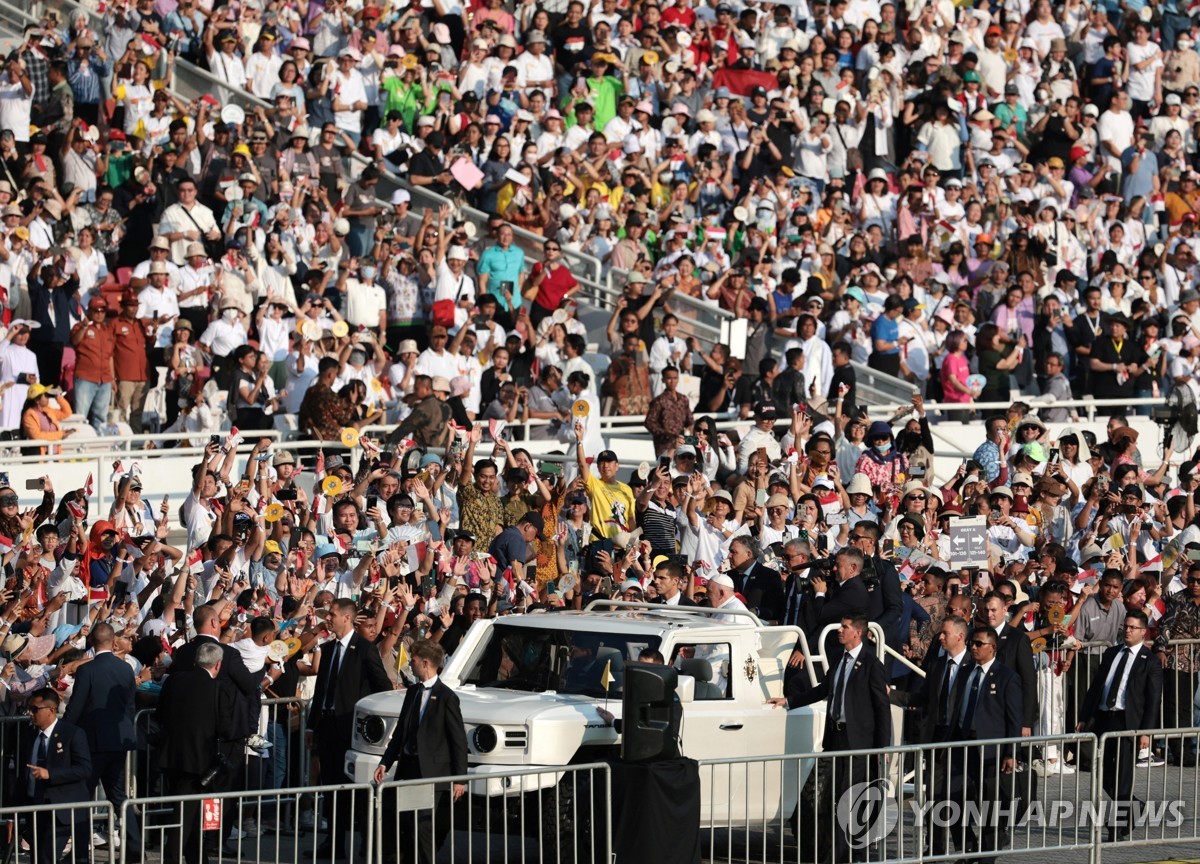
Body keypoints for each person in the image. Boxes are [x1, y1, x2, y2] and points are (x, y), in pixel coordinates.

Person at [774, 616, 890, 861]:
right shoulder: (839, 658)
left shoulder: (871, 664)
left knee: (849, 798)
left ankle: (845, 855)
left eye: (845, 627)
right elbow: (823, 689)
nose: (840, 630)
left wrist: (882, 747)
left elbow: (882, 708)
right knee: (832, 797)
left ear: (858, 633)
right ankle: (844, 853)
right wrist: (789, 701)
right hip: (834, 737)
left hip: (857, 741)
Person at [307, 597, 392, 858]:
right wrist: (312, 726)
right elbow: (321, 690)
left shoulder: (365, 649)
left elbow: (383, 688)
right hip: (328, 728)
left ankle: (367, 844)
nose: (328, 618)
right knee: (331, 786)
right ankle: (333, 842)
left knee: (356, 789)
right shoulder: (329, 649)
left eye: (332, 614)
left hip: (353, 730)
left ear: (346, 617)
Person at [373, 639, 468, 864]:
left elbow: (458, 740)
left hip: (432, 772)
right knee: (403, 822)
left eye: (413, 660)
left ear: (425, 663)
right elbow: (400, 734)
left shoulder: (447, 697)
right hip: (408, 767)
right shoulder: (413, 692)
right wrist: (385, 763)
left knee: (423, 826)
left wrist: (459, 779)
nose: (410, 664)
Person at [1076, 611, 1163, 842]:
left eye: (1133, 627)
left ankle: (1118, 825)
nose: (1128, 631)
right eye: (1126, 626)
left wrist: (1146, 732)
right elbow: (1096, 687)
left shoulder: (1149, 661)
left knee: (1123, 773)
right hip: (1104, 718)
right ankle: (1135, 806)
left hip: (1128, 721)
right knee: (1101, 771)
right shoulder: (1112, 652)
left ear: (1143, 632)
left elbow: (1153, 700)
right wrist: (1085, 716)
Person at [61, 622, 142, 859]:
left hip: (92, 743)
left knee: (84, 796)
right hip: (118, 740)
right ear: (113, 642)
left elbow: (75, 708)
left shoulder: (88, 670)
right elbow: (129, 707)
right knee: (118, 796)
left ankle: (80, 853)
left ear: (92, 643)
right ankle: (134, 850)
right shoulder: (126, 669)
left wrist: (62, 734)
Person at [946, 627, 1023, 864]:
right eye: (972, 643)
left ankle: (987, 855)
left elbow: (1014, 719)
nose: (974, 647)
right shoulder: (965, 671)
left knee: (990, 804)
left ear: (993, 648)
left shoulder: (1007, 676)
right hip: (962, 742)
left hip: (991, 749)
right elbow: (956, 707)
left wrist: (1011, 752)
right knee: (953, 800)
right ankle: (969, 849)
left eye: (979, 644)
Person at [155, 642, 234, 864]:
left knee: (190, 813)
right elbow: (225, 727)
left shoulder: (175, 680)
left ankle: (197, 857)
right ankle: (174, 857)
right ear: (217, 664)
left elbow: (160, 714)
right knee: (187, 815)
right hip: (200, 761)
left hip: (171, 756)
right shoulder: (218, 688)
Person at [15, 687, 92, 864]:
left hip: (61, 810)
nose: (30, 714)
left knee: (47, 857)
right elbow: (23, 775)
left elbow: (84, 769)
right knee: (38, 857)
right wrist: (15, 813)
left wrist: (51, 774)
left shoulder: (72, 734)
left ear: (51, 710)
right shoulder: (29, 735)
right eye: (29, 709)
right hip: (35, 809)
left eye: (35, 709)